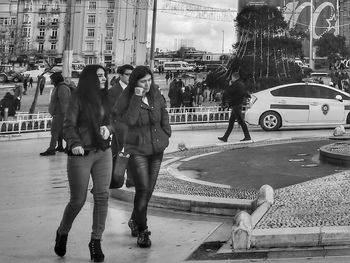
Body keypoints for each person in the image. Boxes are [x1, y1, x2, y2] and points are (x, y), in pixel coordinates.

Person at [54, 65, 113, 262]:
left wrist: (109, 129)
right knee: (78, 200)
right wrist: (75, 143)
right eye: (99, 76)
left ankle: (96, 241)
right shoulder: (77, 98)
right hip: (81, 154)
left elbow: (113, 120)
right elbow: (68, 124)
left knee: (102, 196)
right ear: (89, 78)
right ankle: (63, 231)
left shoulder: (106, 98)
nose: (104, 78)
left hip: (103, 152)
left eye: (104, 75)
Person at [111, 65, 171, 248]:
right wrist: (137, 96)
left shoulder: (155, 93)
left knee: (148, 190)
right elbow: (130, 119)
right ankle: (143, 230)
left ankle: (134, 220)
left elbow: (163, 112)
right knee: (143, 188)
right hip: (137, 149)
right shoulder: (127, 97)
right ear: (135, 81)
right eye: (143, 80)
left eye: (149, 80)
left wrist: (166, 132)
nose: (147, 84)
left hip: (156, 149)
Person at [108, 64, 135, 188]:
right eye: (127, 74)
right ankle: (116, 180)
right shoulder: (113, 91)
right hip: (120, 129)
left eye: (132, 75)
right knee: (121, 155)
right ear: (120, 75)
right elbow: (109, 113)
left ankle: (131, 180)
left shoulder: (135, 89)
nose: (130, 77)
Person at [40, 72, 71, 156]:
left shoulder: (62, 88)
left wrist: (65, 116)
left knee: (54, 132)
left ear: (56, 80)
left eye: (52, 80)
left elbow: (64, 103)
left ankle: (52, 149)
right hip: (58, 114)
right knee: (60, 132)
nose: (51, 82)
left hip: (60, 114)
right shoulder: (58, 87)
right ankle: (62, 146)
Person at [218, 71, 251, 142]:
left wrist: (230, 85)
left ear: (234, 77)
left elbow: (228, 92)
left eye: (232, 77)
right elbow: (244, 93)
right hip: (238, 104)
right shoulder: (241, 84)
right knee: (231, 122)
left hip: (236, 105)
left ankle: (247, 136)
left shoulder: (235, 85)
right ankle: (225, 137)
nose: (231, 79)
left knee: (241, 122)